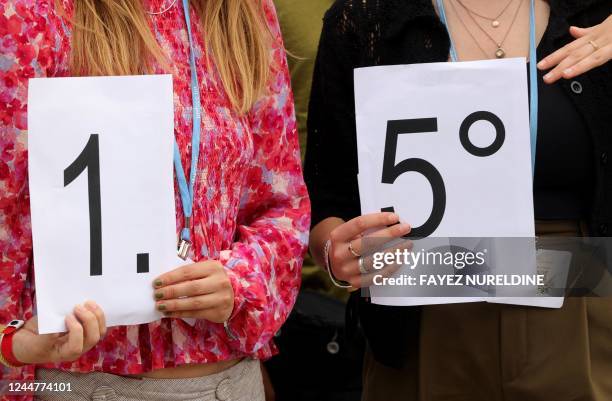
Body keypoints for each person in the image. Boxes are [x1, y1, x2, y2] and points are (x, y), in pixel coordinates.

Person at [0, 0, 310, 400]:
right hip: (83, 385)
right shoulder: (35, 14)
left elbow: (282, 203)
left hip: (233, 384)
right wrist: (11, 349)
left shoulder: (242, 11)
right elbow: (7, 219)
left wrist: (242, 281)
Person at [305, 0, 612, 400]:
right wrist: (336, 252)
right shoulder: (366, 18)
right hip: (423, 318)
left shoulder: (596, 13)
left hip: (578, 309)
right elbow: (325, 200)